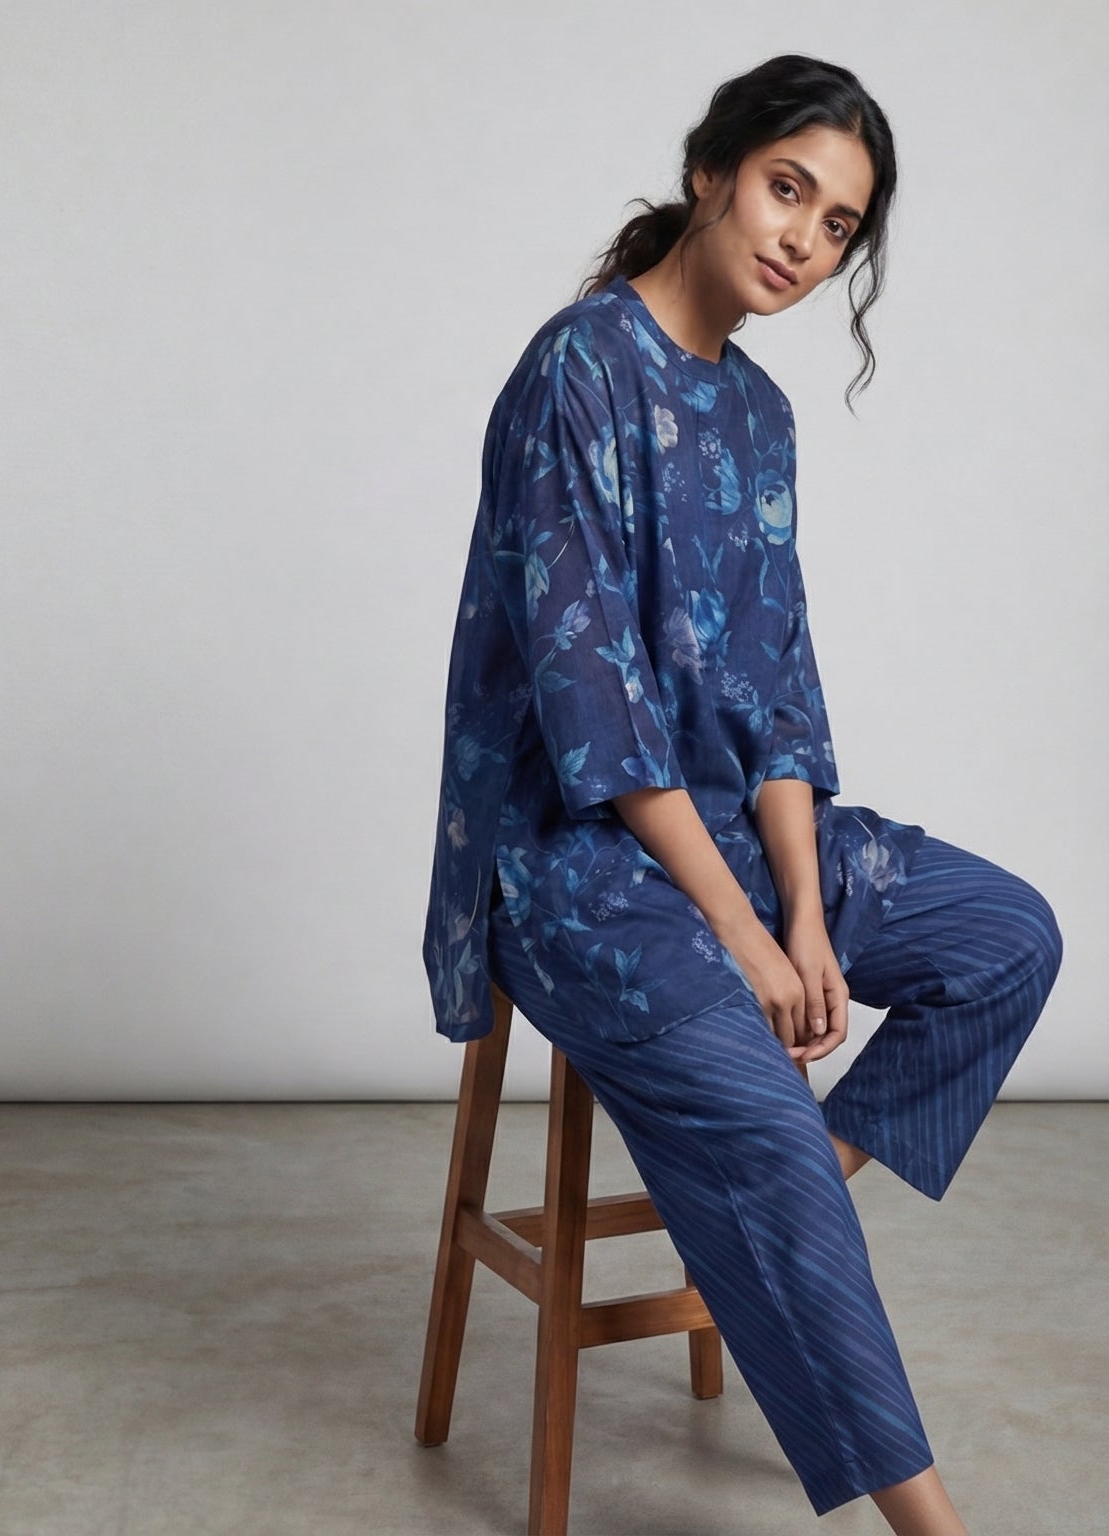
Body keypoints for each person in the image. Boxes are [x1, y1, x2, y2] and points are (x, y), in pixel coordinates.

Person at [419, 54, 1063, 1534]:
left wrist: (807, 918)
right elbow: (596, 716)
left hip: (727, 836)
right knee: (767, 1140)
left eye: (839, 226)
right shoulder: (576, 371)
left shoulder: (760, 416)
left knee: (1006, 937)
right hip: (575, 868)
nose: (805, 241)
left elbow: (779, 699)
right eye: (789, 190)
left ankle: (770, 1210)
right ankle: (930, 1518)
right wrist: (747, 937)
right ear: (712, 169)